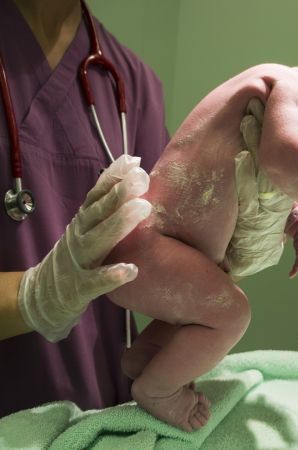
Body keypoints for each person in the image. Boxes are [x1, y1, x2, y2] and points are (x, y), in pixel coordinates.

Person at [105, 51, 298, 431]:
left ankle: (147, 360)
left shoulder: (275, 118)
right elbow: (286, 161)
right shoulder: (295, 88)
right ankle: (158, 391)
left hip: (163, 251)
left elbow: (264, 184)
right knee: (231, 314)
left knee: (212, 297)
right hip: (151, 245)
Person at [0, 0, 169, 418]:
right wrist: (35, 297)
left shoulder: (131, 82)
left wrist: (256, 211)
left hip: (100, 422)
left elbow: (171, 253)